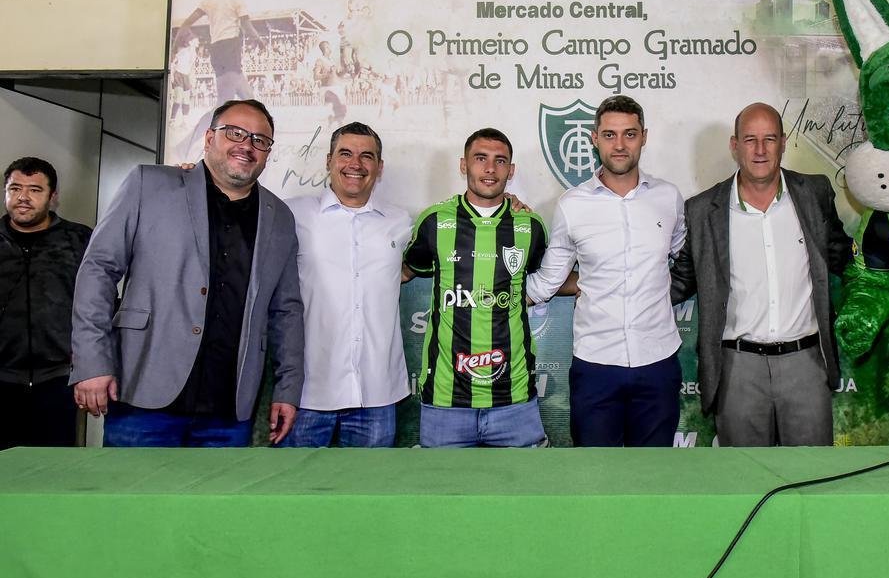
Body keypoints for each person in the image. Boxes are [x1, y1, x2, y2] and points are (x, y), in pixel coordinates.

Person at [71, 99, 304, 447]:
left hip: (229, 409)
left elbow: (286, 310)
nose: (247, 145)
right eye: (235, 133)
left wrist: (288, 388)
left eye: (260, 140)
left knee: (214, 505)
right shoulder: (149, 185)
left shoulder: (279, 216)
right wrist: (92, 361)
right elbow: (98, 270)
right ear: (209, 137)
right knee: (133, 502)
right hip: (143, 395)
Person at [671, 103, 852, 446]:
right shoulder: (702, 209)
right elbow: (681, 280)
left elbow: (842, 258)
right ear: (734, 145)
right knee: (745, 480)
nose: (759, 150)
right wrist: (616, 292)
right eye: (750, 139)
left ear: (783, 143)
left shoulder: (815, 194)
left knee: (811, 478)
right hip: (738, 369)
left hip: (806, 364)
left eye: (769, 139)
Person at [526, 95, 686, 447]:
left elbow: (683, 257)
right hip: (596, 365)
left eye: (629, 134)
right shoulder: (572, 206)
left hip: (658, 361)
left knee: (653, 477)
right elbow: (548, 280)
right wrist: (493, 289)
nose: (619, 144)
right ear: (594, 139)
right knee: (595, 479)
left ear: (644, 136)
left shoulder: (669, 198)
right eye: (610, 135)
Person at [402, 128, 548, 448]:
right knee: (443, 497)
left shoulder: (531, 226)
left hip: (515, 401)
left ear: (511, 171)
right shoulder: (433, 222)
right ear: (463, 165)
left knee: (523, 495)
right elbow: (404, 271)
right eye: (480, 159)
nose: (490, 169)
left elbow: (550, 277)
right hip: (445, 403)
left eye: (500, 161)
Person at [283, 122, 411, 447]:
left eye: (366, 156)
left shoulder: (402, 221)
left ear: (379, 168)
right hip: (308, 393)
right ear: (328, 160)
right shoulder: (292, 214)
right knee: (294, 493)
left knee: (369, 495)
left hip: (378, 394)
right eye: (345, 154)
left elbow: (411, 268)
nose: (356, 164)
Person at [0, 158, 92, 448]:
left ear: (53, 198)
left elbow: (101, 304)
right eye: (15, 188)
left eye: (34, 190)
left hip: (58, 380)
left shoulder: (80, 240)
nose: (23, 197)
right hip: (2, 377)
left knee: (52, 472)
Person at [175, 0, 263, 103]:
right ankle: (207, 124)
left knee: (249, 99)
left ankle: (256, 119)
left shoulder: (209, 1)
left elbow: (186, 24)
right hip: (230, 48)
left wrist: (174, 49)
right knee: (224, 100)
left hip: (217, 49)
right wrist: (259, 40)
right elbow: (247, 25)